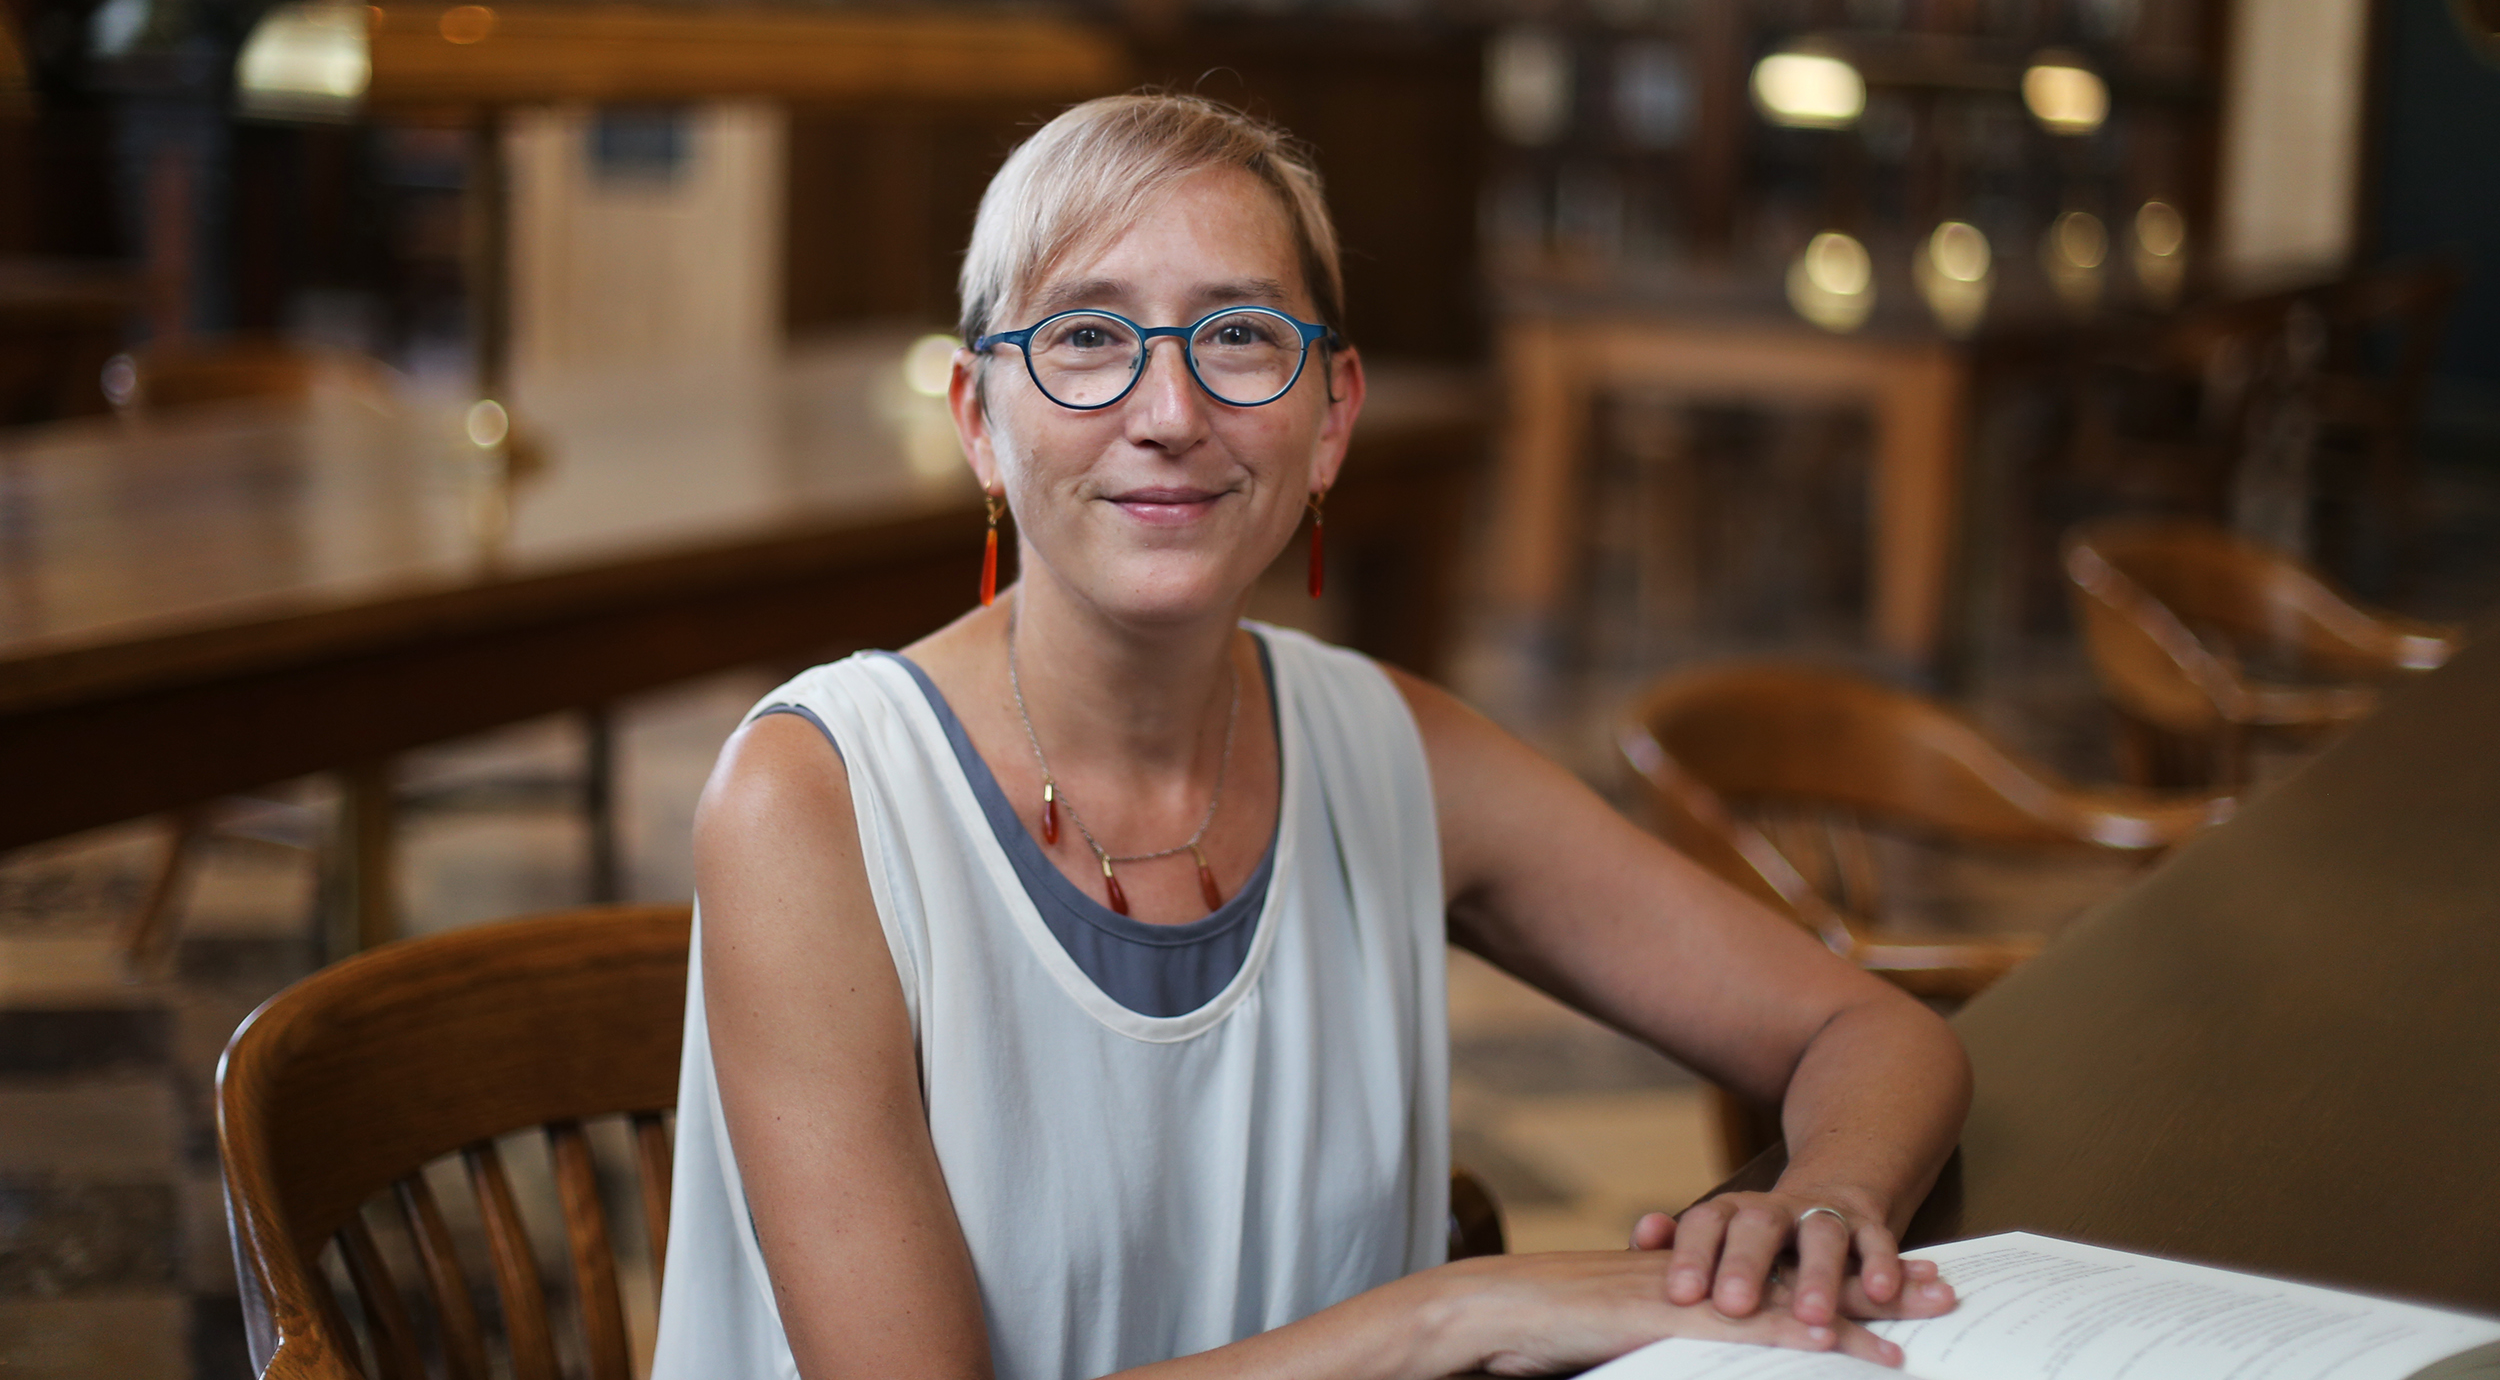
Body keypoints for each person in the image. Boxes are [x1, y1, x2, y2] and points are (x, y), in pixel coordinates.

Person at [652, 93, 1969, 1380]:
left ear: (1332, 416)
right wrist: (1446, 1318)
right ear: (978, 423)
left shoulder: (1396, 751)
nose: (1168, 415)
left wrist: (1832, 1195)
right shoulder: (811, 796)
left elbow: (1871, 1032)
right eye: (1089, 338)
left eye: (1236, 337)